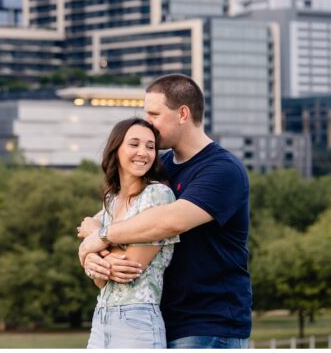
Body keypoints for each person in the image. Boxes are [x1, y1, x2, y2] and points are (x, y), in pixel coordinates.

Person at [78, 74, 252, 348]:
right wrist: (90, 255)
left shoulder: (222, 169)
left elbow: (169, 222)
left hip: (208, 323)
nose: (148, 123)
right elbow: (99, 220)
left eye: (154, 114)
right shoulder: (160, 165)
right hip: (158, 315)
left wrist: (99, 237)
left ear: (183, 113)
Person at [85, 118, 179, 349]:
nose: (143, 153)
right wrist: (91, 254)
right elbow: (99, 281)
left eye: (150, 146)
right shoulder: (110, 201)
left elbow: (129, 268)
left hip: (138, 320)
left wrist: (94, 243)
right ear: (116, 149)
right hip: (101, 317)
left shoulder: (158, 195)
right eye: (134, 144)